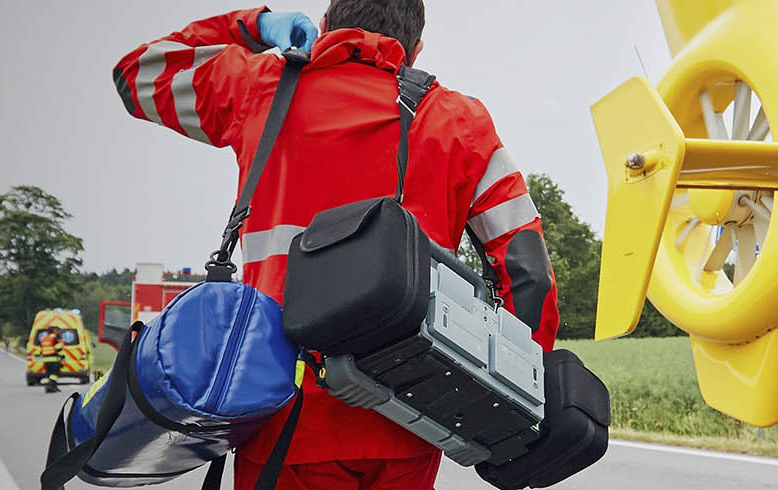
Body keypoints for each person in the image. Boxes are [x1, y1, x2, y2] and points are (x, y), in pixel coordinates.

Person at [110, 1, 561, 489]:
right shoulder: (461, 122)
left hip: (280, 411)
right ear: (416, 50)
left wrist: (257, 26)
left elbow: (138, 73)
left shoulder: (261, 87)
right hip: (410, 415)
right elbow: (527, 271)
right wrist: (512, 402)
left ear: (324, 28)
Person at [38, 326, 65, 393]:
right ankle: (51, 386)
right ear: (53, 330)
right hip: (54, 359)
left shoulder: (44, 338)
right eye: (56, 330)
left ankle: (49, 387)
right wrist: (62, 357)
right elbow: (58, 348)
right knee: (55, 374)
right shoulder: (53, 337)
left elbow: (40, 350)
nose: (57, 332)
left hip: (45, 360)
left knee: (48, 374)